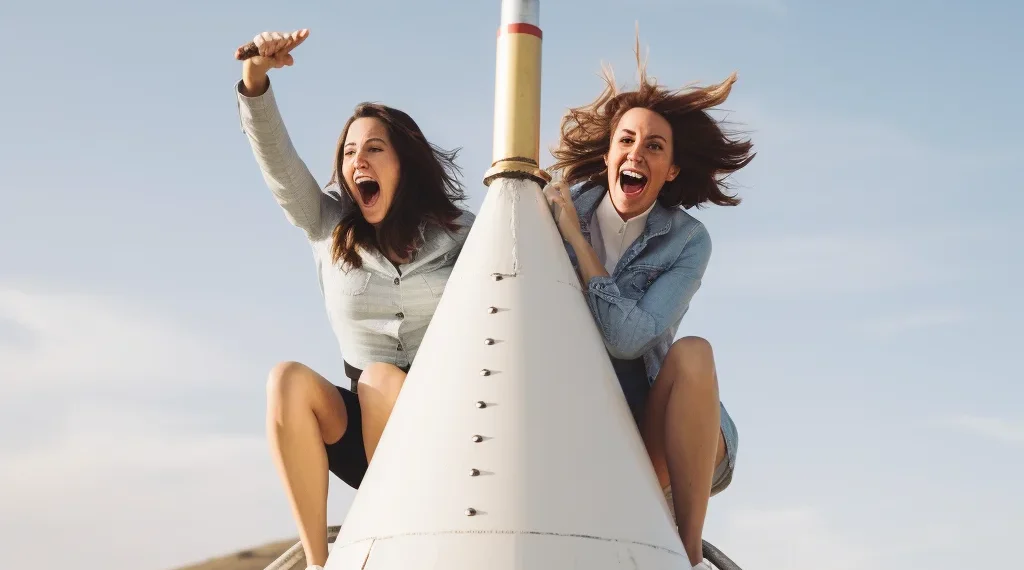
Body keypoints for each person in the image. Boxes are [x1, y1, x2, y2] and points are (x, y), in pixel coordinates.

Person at [234, 29, 475, 569]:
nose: (358, 160)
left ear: (404, 163)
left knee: (383, 378)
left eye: (374, 148)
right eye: (349, 152)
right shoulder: (328, 225)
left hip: (444, 427)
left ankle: (402, 539)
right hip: (367, 434)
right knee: (287, 380)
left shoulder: (462, 233)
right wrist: (256, 82)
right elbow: (279, 167)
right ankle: (320, 563)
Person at [544, 50, 754, 569]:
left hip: (661, 430)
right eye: (627, 140)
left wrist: (577, 240)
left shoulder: (687, 241)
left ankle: (688, 555)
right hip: (576, 421)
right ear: (609, 155)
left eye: (654, 146)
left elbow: (627, 340)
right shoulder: (552, 207)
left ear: (671, 169)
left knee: (694, 352)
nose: (637, 153)